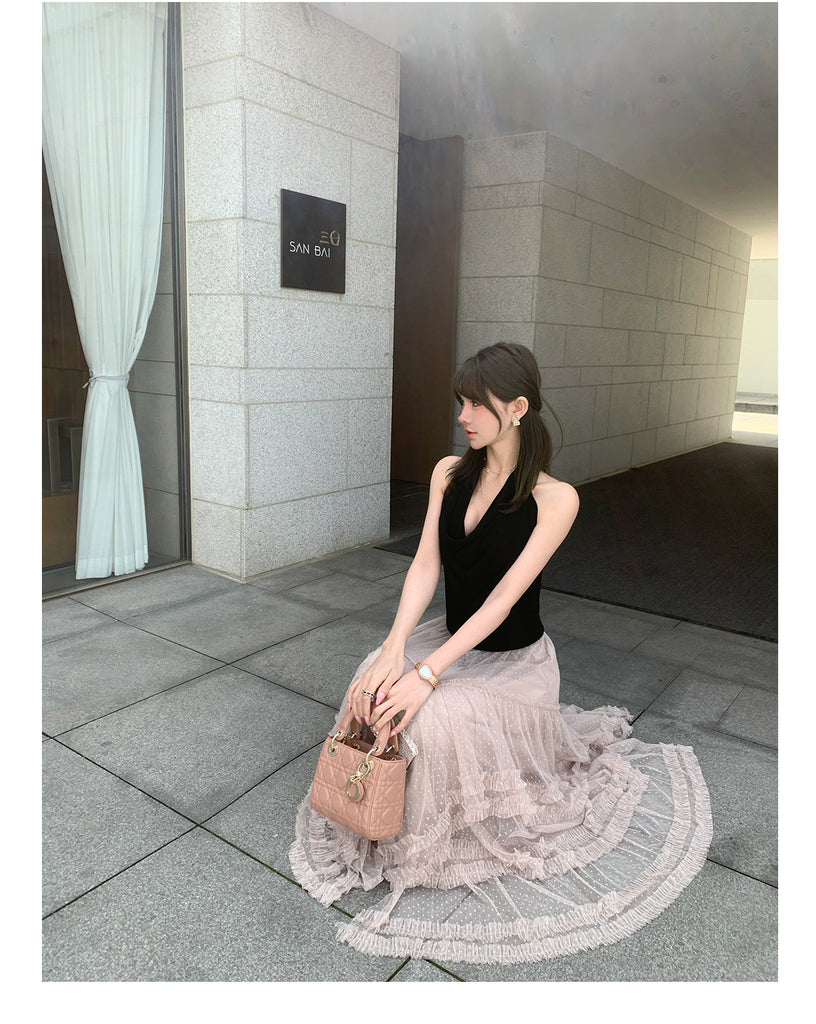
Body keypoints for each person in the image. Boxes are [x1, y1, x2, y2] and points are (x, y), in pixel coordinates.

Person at [290, 342, 712, 964]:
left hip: (513, 660)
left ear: (517, 408)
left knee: (429, 716)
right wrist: (394, 648)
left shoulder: (555, 498)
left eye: (475, 404)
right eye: (460, 401)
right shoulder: (448, 473)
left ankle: (415, 828)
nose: (462, 415)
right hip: (449, 638)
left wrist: (427, 674)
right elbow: (426, 565)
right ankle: (374, 801)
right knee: (373, 685)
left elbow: (502, 601)